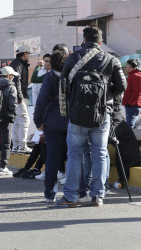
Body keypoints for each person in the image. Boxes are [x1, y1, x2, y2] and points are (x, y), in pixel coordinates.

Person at [57, 26, 127, 207]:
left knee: (74, 155)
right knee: (100, 153)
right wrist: (106, 97)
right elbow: (122, 86)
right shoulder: (111, 60)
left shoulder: (73, 58)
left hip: (77, 115)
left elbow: (63, 86)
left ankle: (71, 196)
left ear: (83, 40)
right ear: (100, 41)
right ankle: (97, 196)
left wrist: (68, 109)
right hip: (102, 114)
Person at [34, 50, 69, 203]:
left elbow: (41, 101)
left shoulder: (50, 77)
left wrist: (38, 120)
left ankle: (50, 192)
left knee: (52, 158)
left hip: (53, 123)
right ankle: (79, 190)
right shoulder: (72, 76)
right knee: (75, 157)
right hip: (72, 122)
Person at [9, 45, 32, 154]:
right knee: (24, 120)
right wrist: (19, 96)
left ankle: (16, 145)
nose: (29, 56)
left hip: (15, 96)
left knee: (17, 121)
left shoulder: (15, 63)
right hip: (19, 96)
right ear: (24, 54)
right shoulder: (19, 64)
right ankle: (22, 146)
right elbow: (17, 80)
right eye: (28, 54)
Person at [122, 59, 141, 129]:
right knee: (132, 128)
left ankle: (130, 140)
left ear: (130, 66)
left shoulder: (136, 76)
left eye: (127, 65)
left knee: (129, 128)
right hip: (132, 105)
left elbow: (137, 91)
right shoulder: (133, 75)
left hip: (133, 106)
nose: (125, 67)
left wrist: (129, 103)